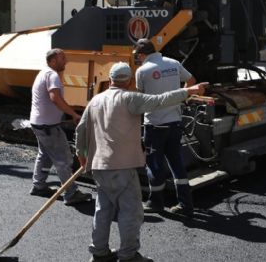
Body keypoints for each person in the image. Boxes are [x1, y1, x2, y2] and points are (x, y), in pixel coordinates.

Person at [75, 62, 207, 262]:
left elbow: (80, 131)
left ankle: (99, 252)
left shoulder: (95, 100)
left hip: (99, 166)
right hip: (122, 166)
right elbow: (160, 100)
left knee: (103, 210)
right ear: (128, 81)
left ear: (110, 79)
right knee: (130, 212)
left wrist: (82, 157)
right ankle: (128, 255)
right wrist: (188, 90)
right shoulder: (129, 98)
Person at [133, 39, 196, 217]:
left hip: (154, 124)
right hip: (174, 121)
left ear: (142, 54)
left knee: (154, 164)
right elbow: (191, 80)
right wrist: (182, 97)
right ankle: (185, 204)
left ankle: (155, 202)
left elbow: (141, 99)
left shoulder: (142, 71)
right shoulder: (173, 63)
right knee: (176, 162)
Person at [28, 48, 91, 206]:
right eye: (63, 58)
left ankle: (39, 185)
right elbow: (55, 98)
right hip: (48, 126)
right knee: (63, 158)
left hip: (39, 123)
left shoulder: (43, 73)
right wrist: (73, 114)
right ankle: (71, 193)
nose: (66, 61)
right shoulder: (52, 75)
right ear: (53, 60)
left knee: (45, 155)